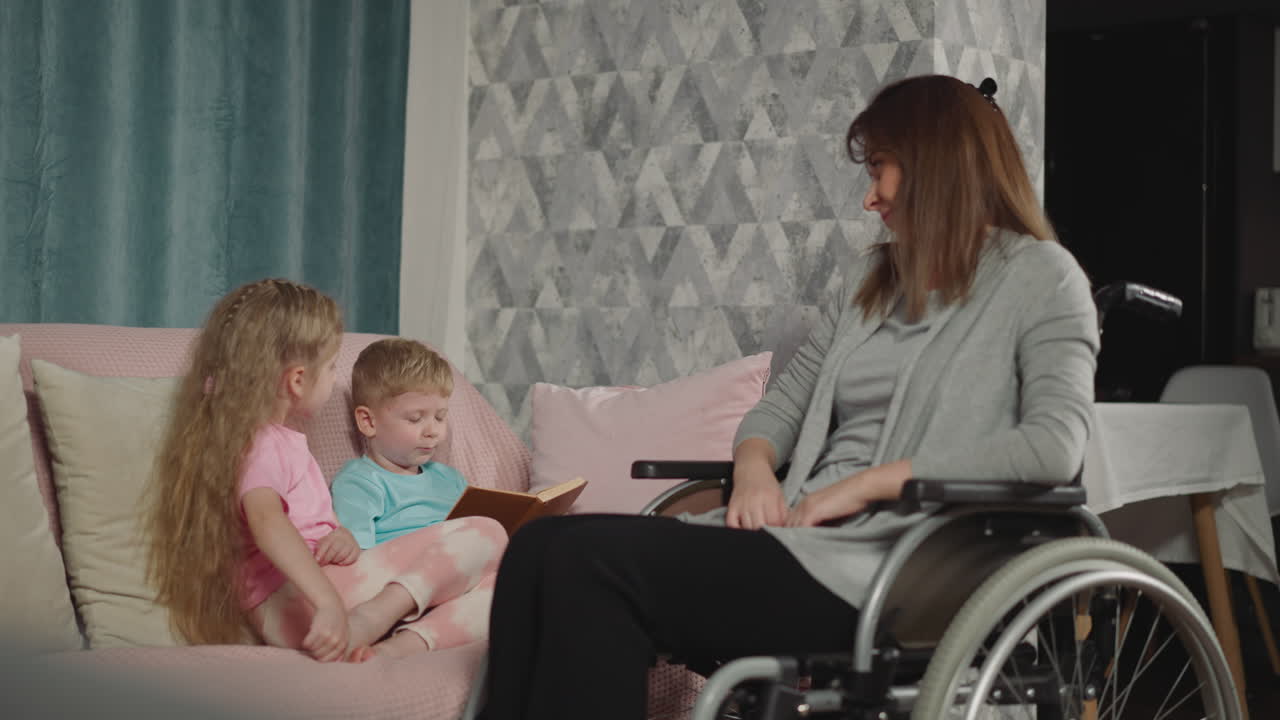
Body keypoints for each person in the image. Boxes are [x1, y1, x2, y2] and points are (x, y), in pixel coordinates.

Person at [475, 74, 1101, 720]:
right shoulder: (871, 284)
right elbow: (782, 407)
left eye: (881, 168)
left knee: (588, 563)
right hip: (800, 540)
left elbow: (1054, 448)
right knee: (535, 551)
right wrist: (751, 472)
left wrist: (868, 486)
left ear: (934, 163)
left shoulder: (1042, 279)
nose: (869, 197)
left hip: (896, 572)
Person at [143, 278, 507, 664]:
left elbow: (303, 526)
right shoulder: (261, 443)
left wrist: (340, 537)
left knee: (507, 591)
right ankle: (368, 620)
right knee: (488, 531)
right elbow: (268, 521)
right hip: (304, 606)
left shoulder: (274, 440)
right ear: (298, 380)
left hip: (316, 598)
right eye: (332, 366)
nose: (336, 379)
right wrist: (328, 603)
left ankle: (394, 650)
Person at [329, 338, 468, 546]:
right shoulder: (361, 483)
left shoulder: (451, 479)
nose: (432, 432)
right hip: (402, 570)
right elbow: (358, 558)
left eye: (440, 417)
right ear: (368, 421)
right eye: (415, 418)